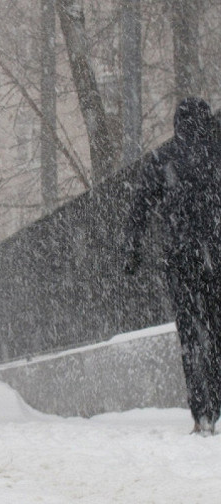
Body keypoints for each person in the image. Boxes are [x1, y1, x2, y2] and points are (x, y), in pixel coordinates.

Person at [124, 96, 221, 434]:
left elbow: (139, 208)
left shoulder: (163, 158)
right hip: (217, 257)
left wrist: (133, 249)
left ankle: (201, 412)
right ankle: (216, 402)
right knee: (217, 332)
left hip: (181, 260)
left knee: (191, 336)